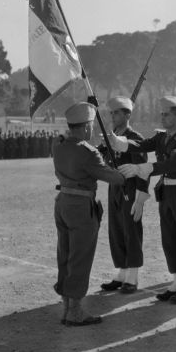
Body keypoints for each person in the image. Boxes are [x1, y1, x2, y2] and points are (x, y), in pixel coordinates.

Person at [113, 96, 176, 304]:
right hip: (167, 192)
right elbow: (141, 145)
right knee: (169, 238)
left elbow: (174, 164)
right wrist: (121, 143)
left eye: (167, 114)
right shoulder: (161, 138)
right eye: (161, 114)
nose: (163, 117)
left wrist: (146, 168)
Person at [53, 101, 130, 326]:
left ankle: (67, 306)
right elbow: (113, 177)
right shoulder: (88, 152)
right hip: (80, 207)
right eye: (90, 126)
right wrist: (124, 172)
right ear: (86, 126)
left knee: (65, 255)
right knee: (80, 257)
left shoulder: (58, 145)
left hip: (63, 202)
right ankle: (75, 310)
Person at [98, 96, 149, 293]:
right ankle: (121, 273)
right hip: (115, 187)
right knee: (116, 230)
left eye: (117, 112)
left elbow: (143, 168)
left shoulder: (134, 138)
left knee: (131, 231)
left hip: (130, 188)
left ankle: (132, 277)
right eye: (111, 113)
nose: (113, 116)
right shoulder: (111, 136)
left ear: (127, 114)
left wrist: (142, 194)